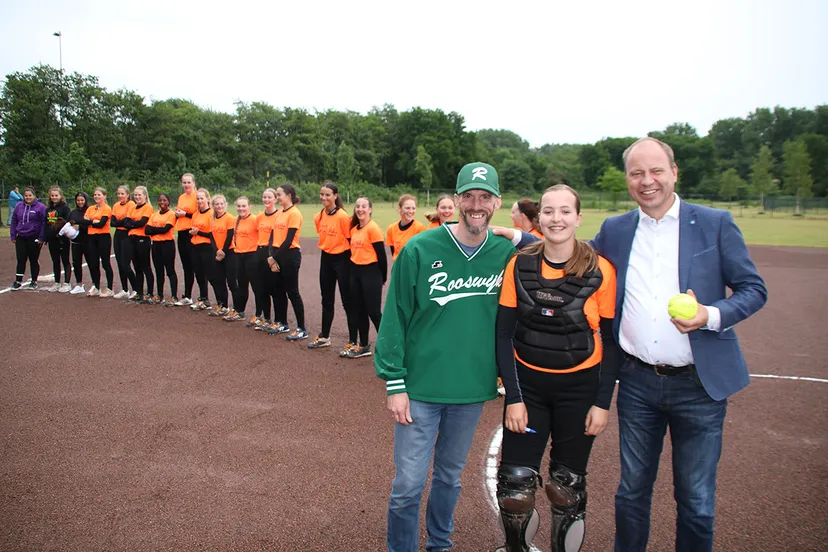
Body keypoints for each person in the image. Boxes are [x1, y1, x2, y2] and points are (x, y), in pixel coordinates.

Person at [589, 137, 767, 552]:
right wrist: (519, 238)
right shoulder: (616, 229)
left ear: (674, 172)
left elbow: (753, 289)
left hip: (699, 385)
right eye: (637, 173)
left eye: (656, 171)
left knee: (696, 501)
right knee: (631, 493)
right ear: (628, 179)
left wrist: (710, 315)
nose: (646, 181)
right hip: (637, 382)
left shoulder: (715, 222)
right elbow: (575, 260)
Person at [375, 162, 515, 552]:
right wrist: (394, 381)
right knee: (408, 484)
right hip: (419, 387)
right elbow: (395, 315)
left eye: (485, 197)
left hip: (471, 389)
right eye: (468, 196)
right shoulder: (420, 248)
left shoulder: (506, 253)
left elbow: (559, 247)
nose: (476, 205)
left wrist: (520, 235)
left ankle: (440, 543)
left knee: (449, 478)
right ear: (456, 200)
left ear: (497, 203)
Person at [493, 185, 621, 552]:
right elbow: (503, 334)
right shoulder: (520, 265)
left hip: (579, 392)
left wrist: (602, 403)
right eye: (548, 211)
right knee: (515, 487)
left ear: (578, 218)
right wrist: (514, 397)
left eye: (565, 211)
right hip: (529, 389)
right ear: (540, 218)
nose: (556, 219)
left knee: (566, 486)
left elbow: (611, 342)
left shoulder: (601, 271)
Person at [307, 181, 358, 355]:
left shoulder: (343, 216)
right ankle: (325, 336)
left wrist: (352, 265)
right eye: (322, 194)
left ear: (335, 196)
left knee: (347, 301)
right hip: (326, 259)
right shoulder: (319, 216)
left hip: (343, 259)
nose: (324, 197)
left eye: (328, 195)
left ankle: (353, 340)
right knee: (326, 299)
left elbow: (351, 240)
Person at [346, 196, 387, 359]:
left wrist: (382, 276)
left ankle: (388, 346)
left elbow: (382, 256)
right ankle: (363, 345)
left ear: (370, 209)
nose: (360, 209)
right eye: (358, 206)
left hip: (371, 272)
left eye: (364, 206)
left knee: (374, 312)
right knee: (359, 311)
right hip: (356, 272)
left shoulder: (373, 228)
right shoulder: (354, 229)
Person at [265, 184, 307, 340]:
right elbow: (272, 237)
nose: (277, 197)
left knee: (292, 292)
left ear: (289, 195)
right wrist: (271, 255)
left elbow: (289, 240)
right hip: (277, 255)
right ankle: (281, 322)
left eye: (279, 194)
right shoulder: (280, 213)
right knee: (278, 291)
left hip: (289, 255)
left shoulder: (294, 213)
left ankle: (301, 328)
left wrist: (273, 258)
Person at [223, 196, 258, 322]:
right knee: (242, 285)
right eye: (239, 206)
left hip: (252, 255)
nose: (241, 208)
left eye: (244, 206)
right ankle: (239, 311)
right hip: (239, 255)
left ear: (249, 206)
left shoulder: (255, 220)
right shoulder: (235, 220)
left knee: (256, 287)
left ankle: (259, 315)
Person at [250, 188, 280, 330]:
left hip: (272, 253)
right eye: (264, 197)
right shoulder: (260, 217)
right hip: (260, 252)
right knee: (262, 288)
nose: (266, 200)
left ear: (275, 199)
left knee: (275, 289)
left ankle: (279, 320)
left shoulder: (279, 216)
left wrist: (273, 256)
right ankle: (266, 318)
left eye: (269, 197)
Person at [9, 187, 46, 290]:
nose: (28, 197)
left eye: (30, 195)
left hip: (34, 237)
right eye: (26, 195)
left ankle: (34, 281)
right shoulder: (19, 206)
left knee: (33, 259)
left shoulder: (41, 207)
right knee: (21, 259)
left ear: (34, 196)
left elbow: (44, 223)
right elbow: (14, 220)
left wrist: (41, 237)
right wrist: (13, 235)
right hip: (21, 236)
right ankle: (18, 281)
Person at [122, 186, 155, 303]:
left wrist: (132, 223)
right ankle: (139, 292)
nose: (137, 197)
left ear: (145, 196)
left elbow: (142, 223)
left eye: (139, 195)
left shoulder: (148, 207)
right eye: (135, 195)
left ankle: (150, 293)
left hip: (143, 239)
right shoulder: (132, 207)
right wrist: (133, 223)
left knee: (145, 267)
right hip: (132, 238)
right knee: (137, 267)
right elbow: (125, 223)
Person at [81, 187, 115, 297]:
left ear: (104, 196)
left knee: (105, 263)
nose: (96, 196)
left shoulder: (107, 208)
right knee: (93, 263)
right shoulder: (90, 208)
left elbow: (101, 224)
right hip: (91, 237)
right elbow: (83, 221)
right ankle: (96, 287)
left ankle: (109, 288)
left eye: (99, 195)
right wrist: (93, 221)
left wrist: (90, 221)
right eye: (95, 195)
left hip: (103, 237)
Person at [144, 193, 178, 305]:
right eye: (160, 200)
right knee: (159, 271)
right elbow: (146, 230)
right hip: (156, 245)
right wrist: (158, 229)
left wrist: (154, 230)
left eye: (164, 200)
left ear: (168, 202)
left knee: (170, 271)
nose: (162, 202)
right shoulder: (154, 215)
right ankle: (159, 295)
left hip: (167, 244)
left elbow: (165, 230)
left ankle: (174, 296)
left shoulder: (171, 214)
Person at [206, 194, 236, 317]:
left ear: (225, 204)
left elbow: (229, 236)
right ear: (213, 205)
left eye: (221, 203)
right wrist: (217, 251)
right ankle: (223, 305)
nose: (219, 206)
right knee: (219, 280)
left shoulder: (229, 218)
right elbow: (211, 237)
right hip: (217, 253)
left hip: (229, 253)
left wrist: (223, 251)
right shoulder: (212, 219)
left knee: (232, 282)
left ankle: (236, 308)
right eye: (217, 204)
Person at [173, 173, 198, 306]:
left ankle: (203, 297)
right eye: (184, 182)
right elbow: (180, 214)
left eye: (189, 182)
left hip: (192, 233)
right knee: (186, 266)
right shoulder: (181, 197)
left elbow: (201, 214)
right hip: (181, 233)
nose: (186, 185)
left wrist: (185, 214)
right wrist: (177, 213)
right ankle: (187, 296)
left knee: (196, 266)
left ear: (193, 183)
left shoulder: (197, 196)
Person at [188, 188, 214, 311]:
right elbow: (193, 230)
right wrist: (193, 232)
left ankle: (221, 302)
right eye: (197, 199)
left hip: (207, 247)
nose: (199, 201)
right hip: (196, 246)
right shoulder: (195, 214)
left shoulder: (212, 214)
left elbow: (212, 234)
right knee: (199, 274)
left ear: (207, 199)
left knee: (211, 275)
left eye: (202, 198)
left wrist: (199, 232)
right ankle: (204, 298)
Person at [44, 186, 72, 292]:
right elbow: (46, 223)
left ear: (60, 196)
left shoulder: (65, 208)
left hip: (62, 239)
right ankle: (57, 282)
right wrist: (46, 236)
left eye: (56, 195)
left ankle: (67, 283)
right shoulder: (48, 209)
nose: (54, 197)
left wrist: (60, 232)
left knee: (65, 260)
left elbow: (68, 223)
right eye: (52, 195)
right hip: (52, 239)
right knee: (55, 261)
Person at [110, 185, 136, 299]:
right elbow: (112, 223)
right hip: (118, 235)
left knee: (126, 264)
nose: (120, 196)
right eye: (118, 194)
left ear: (128, 195)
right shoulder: (116, 205)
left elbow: (127, 222)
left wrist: (119, 222)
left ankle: (135, 289)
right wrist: (121, 222)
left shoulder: (131, 204)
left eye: (122, 194)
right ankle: (124, 289)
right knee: (120, 264)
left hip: (127, 235)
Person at [386, 193, 425, 261]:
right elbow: (394, 252)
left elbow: (422, 253)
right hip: (398, 265)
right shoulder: (391, 228)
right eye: (407, 208)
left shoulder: (420, 228)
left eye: (413, 208)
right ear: (399, 209)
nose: (411, 211)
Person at [68, 192, 91, 294]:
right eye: (78, 200)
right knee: (76, 263)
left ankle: (95, 285)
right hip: (76, 242)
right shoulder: (73, 212)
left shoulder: (90, 210)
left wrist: (80, 226)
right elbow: (69, 223)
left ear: (85, 200)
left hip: (88, 241)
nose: (80, 202)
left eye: (82, 200)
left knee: (91, 263)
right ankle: (79, 284)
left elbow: (91, 224)